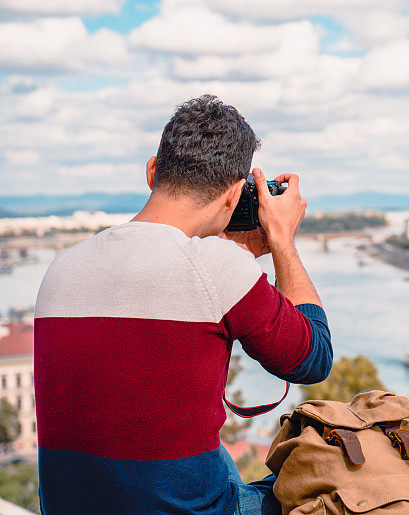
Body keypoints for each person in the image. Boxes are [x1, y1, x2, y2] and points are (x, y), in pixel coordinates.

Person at [33, 95, 332, 514]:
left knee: (215, 456)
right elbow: (314, 359)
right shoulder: (219, 268)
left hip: (67, 508)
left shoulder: (60, 269)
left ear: (152, 170)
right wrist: (281, 240)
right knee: (340, 478)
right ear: (233, 196)